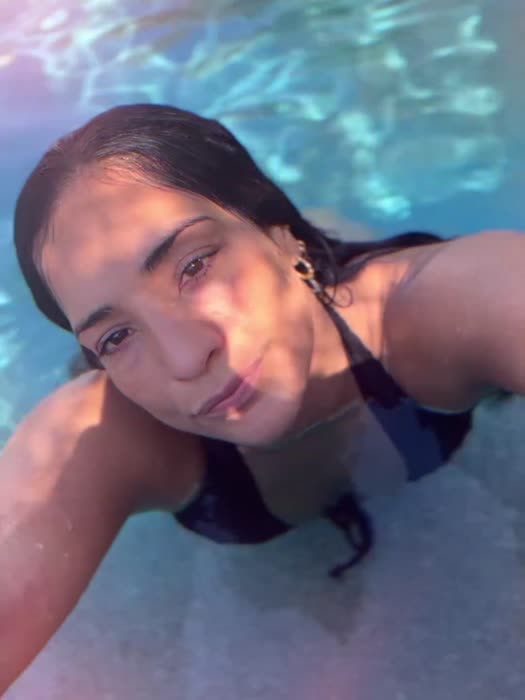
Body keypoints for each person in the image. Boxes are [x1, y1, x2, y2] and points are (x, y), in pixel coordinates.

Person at [3, 102, 525, 691]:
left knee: (336, 243)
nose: (185, 357)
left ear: (280, 235)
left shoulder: (435, 312)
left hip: (329, 278)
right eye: (116, 337)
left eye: (195, 265)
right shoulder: (114, 434)